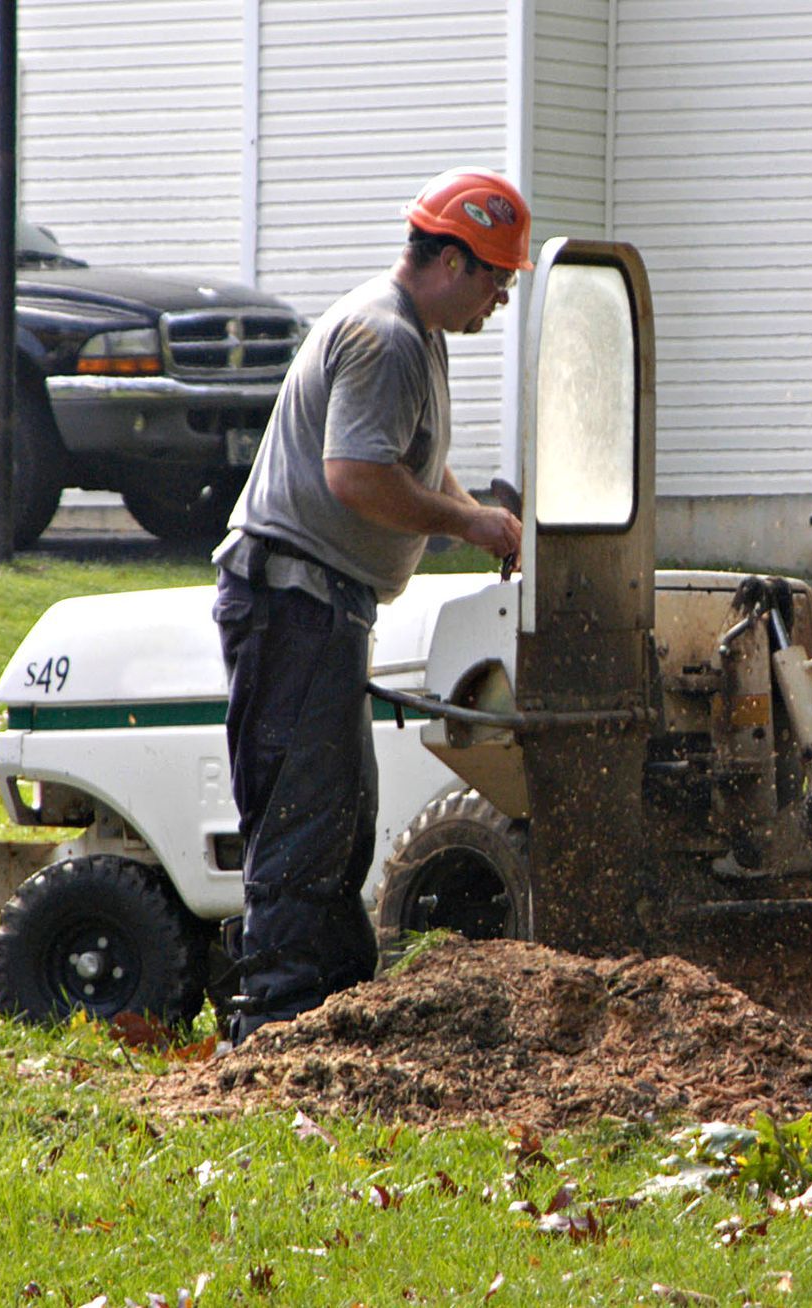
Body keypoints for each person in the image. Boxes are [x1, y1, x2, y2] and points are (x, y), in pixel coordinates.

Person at [209, 168, 530, 1043]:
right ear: (453, 259)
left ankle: (333, 1011)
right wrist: (469, 522)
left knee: (342, 822)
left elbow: (407, 465)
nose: (500, 300)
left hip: (320, 608)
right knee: (304, 822)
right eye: (498, 279)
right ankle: (274, 1027)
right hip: (293, 603)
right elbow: (355, 478)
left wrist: (477, 519)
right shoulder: (386, 336)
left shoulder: (417, 335)